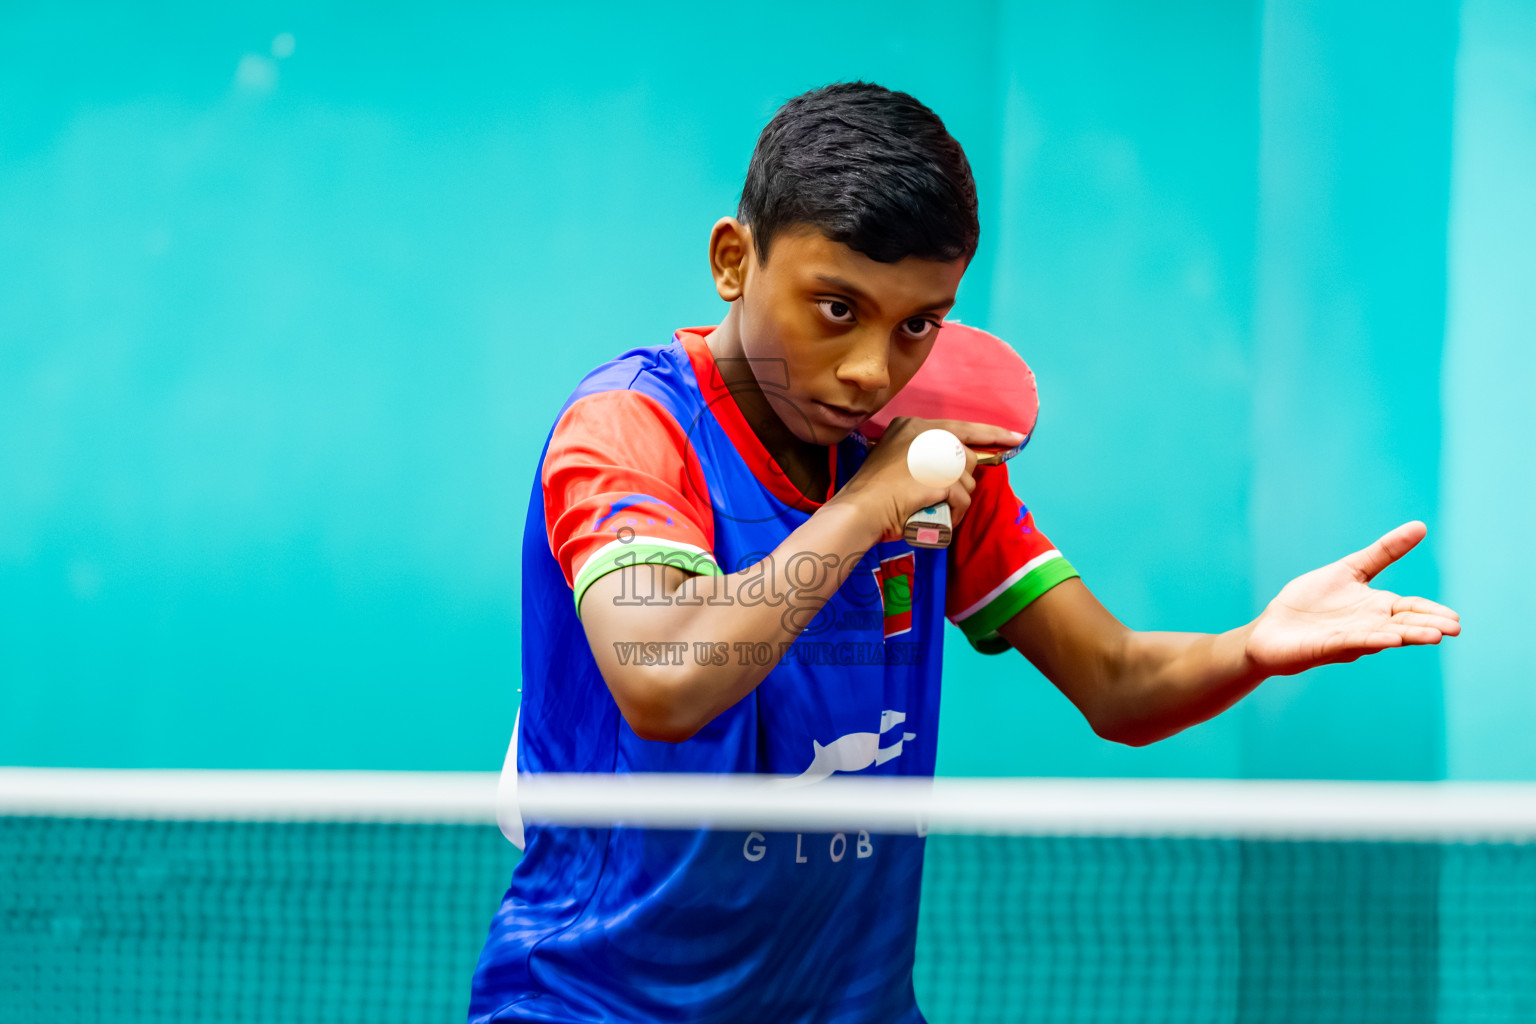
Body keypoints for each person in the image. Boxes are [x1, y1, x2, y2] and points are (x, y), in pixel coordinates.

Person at [467, 82, 1460, 1024]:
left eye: (919, 326)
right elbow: (665, 677)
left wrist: (1250, 646)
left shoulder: (933, 460)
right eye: (836, 308)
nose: (869, 370)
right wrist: (870, 504)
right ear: (734, 259)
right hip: (597, 1002)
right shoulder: (633, 431)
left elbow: (1115, 682)